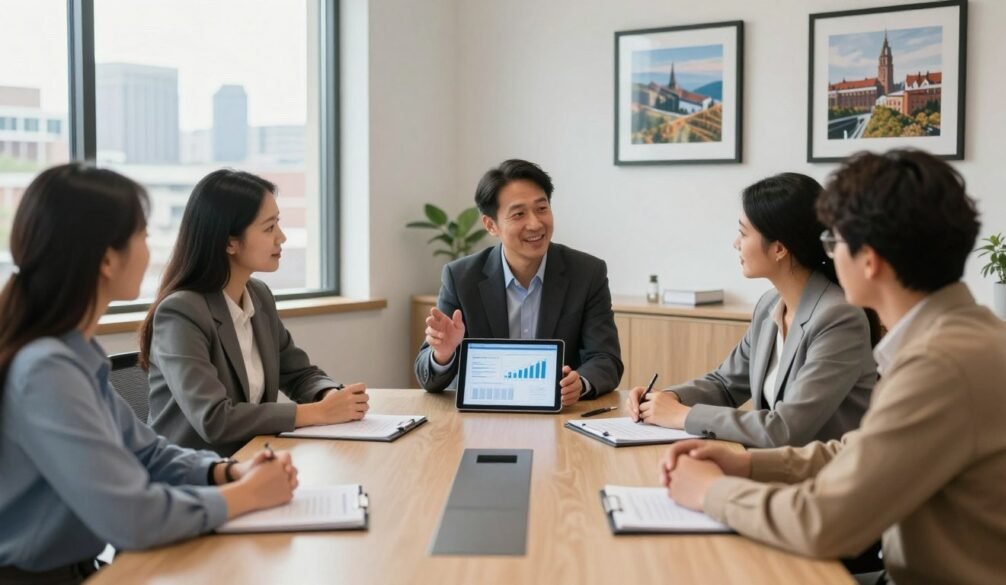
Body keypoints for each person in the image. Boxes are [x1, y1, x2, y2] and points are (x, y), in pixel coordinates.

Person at [660, 150, 1006, 585]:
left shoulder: (941, 363)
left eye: (833, 243)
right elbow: (860, 449)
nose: (827, 255)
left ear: (869, 260)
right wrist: (749, 466)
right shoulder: (960, 335)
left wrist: (709, 491)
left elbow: (822, 524)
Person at [0, 164, 298, 583]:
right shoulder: (47, 371)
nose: (150, 247)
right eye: (141, 235)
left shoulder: (75, 352)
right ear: (107, 259)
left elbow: (148, 452)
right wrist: (244, 495)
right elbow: (132, 516)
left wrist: (227, 472)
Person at [627, 173, 878, 447]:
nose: (736, 243)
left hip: (821, 477)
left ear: (779, 248)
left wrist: (683, 416)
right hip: (775, 468)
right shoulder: (770, 305)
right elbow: (725, 383)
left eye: (743, 233)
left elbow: (784, 429)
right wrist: (667, 399)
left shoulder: (838, 318)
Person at [140, 170, 368, 456]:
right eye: (269, 227)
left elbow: (298, 373)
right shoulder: (181, 313)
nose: (281, 237)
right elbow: (214, 419)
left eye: (278, 224)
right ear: (229, 242)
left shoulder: (258, 296)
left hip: (253, 459)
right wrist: (318, 413)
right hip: (194, 478)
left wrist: (329, 395)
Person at [414, 159, 622, 405]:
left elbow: (605, 358)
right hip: (483, 418)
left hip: (561, 418)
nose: (535, 223)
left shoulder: (587, 273)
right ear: (491, 225)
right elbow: (427, 378)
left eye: (542, 208)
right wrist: (443, 353)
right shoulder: (461, 277)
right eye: (519, 214)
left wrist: (581, 383)